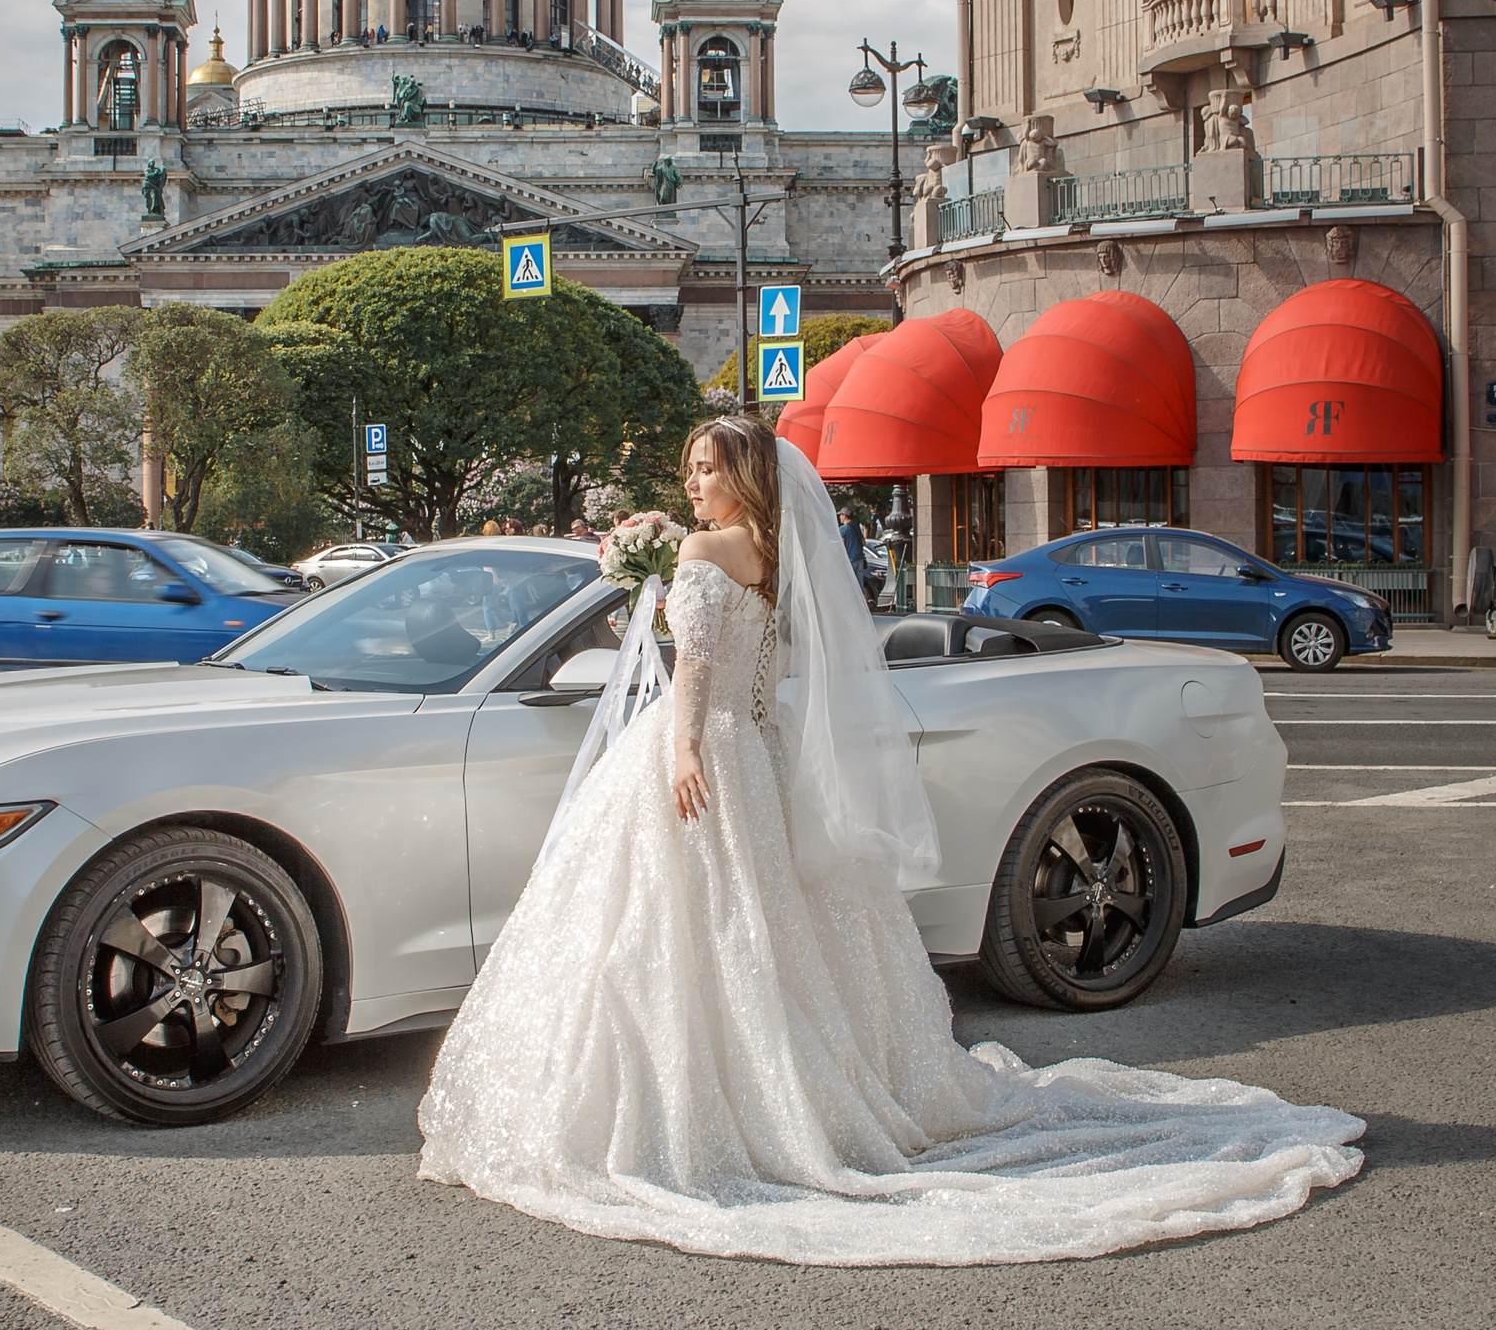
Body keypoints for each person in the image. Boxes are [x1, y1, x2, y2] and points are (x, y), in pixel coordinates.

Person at [418, 411, 1362, 1266]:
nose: (693, 482)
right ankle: (790, 1093)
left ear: (746, 476)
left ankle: (700, 1113)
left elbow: (697, 672)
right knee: (758, 933)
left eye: (708, 467)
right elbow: (763, 668)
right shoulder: (770, 551)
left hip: (703, 751)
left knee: (677, 936)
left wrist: (680, 750)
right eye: (691, 468)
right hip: (765, 755)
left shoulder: (706, 548)